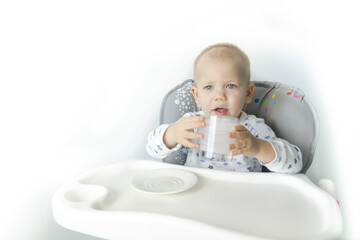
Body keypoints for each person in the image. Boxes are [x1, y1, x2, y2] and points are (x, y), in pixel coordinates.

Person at [146, 43, 302, 173]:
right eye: (208, 87)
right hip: (197, 193)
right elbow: (151, 149)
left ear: (248, 93)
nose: (219, 96)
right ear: (196, 95)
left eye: (230, 86)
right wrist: (171, 134)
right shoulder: (192, 124)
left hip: (242, 198)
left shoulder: (253, 129)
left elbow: (295, 164)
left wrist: (257, 147)